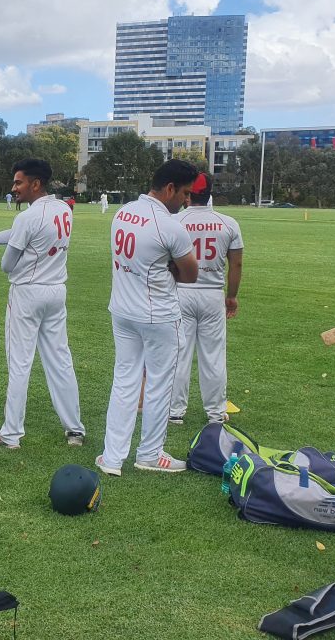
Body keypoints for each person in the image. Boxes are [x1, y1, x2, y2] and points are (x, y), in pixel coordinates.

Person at [96, 159, 199, 477]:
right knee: (158, 385)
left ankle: (112, 458)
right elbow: (191, 274)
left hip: (122, 310)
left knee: (124, 381)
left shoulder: (123, 212)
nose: (186, 200)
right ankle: (150, 454)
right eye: (183, 193)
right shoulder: (169, 226)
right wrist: (169, 267)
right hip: (157, 315)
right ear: (169, 188)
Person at [0, 159, 84, 449]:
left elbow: (7, 265)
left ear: (35, 184)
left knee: (19, 363)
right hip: (56, 291)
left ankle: (11, 434)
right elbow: (21, 236)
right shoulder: (64, 209)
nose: (14, 188)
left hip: (27, 293)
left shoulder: (27, 218)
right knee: (60, 360)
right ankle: (75, 429)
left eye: (19, 182)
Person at [169, 172, 243, 426]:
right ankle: (215, 412)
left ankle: (175, 411)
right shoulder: (228, 223)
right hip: (212, 294)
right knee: (213, 355)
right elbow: (237, 264)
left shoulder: (175, 220)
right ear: (210, 193)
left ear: (189, 193)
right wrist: (231, 297)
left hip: (181, 292)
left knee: (178, 352)